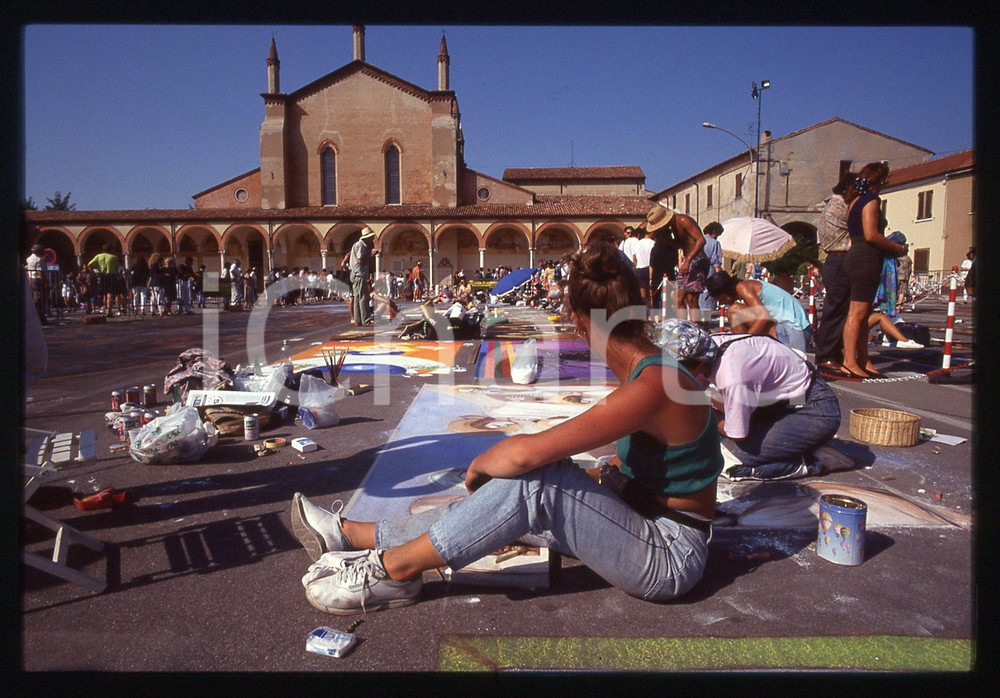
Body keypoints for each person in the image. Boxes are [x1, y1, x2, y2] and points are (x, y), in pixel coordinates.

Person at [289, 241, 724, 615]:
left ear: (577, 319)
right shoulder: (651, 372)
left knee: (537, 482)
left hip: (669, 556)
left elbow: (525, 454)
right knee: (499, 504)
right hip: (642, 520)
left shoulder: (654, 384)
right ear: (640, 303)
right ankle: (351, 535)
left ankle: (394, 572)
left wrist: (478, 467)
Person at [658, 319, 850, 480]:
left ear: (695, 365)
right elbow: (689, 392)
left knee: (723, 460)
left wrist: (706, 415)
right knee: (706, 441)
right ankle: (795, 445)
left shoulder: (731, 375)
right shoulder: (706, 348)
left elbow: (737, 433)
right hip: (782, 404)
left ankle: (814, 462)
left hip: (814, 411)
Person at [840, 162, 908, 379]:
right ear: (881, 179)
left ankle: (862, 360)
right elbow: (871, 234)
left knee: (861, 314)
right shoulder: (871, 200)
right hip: (866, 259)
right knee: (858, 313)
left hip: (855, 256)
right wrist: (897, 248)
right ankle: (849, 362)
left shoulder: (853, 202)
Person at [812, 171, 857, 374]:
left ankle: (832, 353)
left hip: (835, 260)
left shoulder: (831, 204)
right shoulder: (840, 207)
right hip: (840, 259)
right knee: (836, 310)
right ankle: (826, 355)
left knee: (837, 310)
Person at [704, 271, 811, 352]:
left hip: (795, 332)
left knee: (734, 311)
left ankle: (745, 353)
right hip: (800, 333)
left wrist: (742, 341)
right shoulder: (750, 286)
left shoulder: (743, 287)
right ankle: (746, 352)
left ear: (725, 293)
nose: (720, 302)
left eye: (718, 298)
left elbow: (763, 318)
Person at [645, 205, 708, 323]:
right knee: (678, 298)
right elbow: (682, 244)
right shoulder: (673, 228)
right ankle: (684, 325)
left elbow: (701, 240)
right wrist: (668, 241)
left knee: (691, 298)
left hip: (697, 260)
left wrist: (688, 260)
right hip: (689, 260)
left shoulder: (683, 220)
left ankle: (697, 326)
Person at [342, 227, 375, 326]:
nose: (372, 239)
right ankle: (366, 319)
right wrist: (371, 255)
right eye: (371, 238)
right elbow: (360, 260)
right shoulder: (360, 246)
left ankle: (358, 319)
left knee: (357, 297)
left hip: (355, 274)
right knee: (363, 297)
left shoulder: (357, 245)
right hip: (360, 274)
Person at [697, 222, 724, 318]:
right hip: (709, 270)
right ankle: (706, 317)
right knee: (708, 293)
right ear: (714, 232)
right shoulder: (715, 243)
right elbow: (716, 261)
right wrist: (719, 277)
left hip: (697, 269)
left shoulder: (698, 239)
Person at [88, 244, 121, 317]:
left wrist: (95, 272)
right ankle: (109, 311)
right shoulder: (114, 257)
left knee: (104, 294)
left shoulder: (98, 256)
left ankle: (105, 310)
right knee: (110, 294)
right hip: (112, 276)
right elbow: (117, 268)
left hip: (102, 275)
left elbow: (89, 265)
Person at [25, 243, 48, 325]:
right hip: (38, 280)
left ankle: (39, 317)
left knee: (35, 297)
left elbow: (26, 269)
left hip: (31, 279)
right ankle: (39, 318)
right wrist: (45, 282)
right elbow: (40, 272)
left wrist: (29, 278)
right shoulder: (39, 259)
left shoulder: (28, 259)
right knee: (39, 299)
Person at [633, 225, 655, 308]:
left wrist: (636, 266)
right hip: (650, 269)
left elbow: (634, 258)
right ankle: (652, 311)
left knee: (642, 295)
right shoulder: (653, 243)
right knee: (651, 294)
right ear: (651, 232)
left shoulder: (637, 244)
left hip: (639, 269)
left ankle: (644, 311)